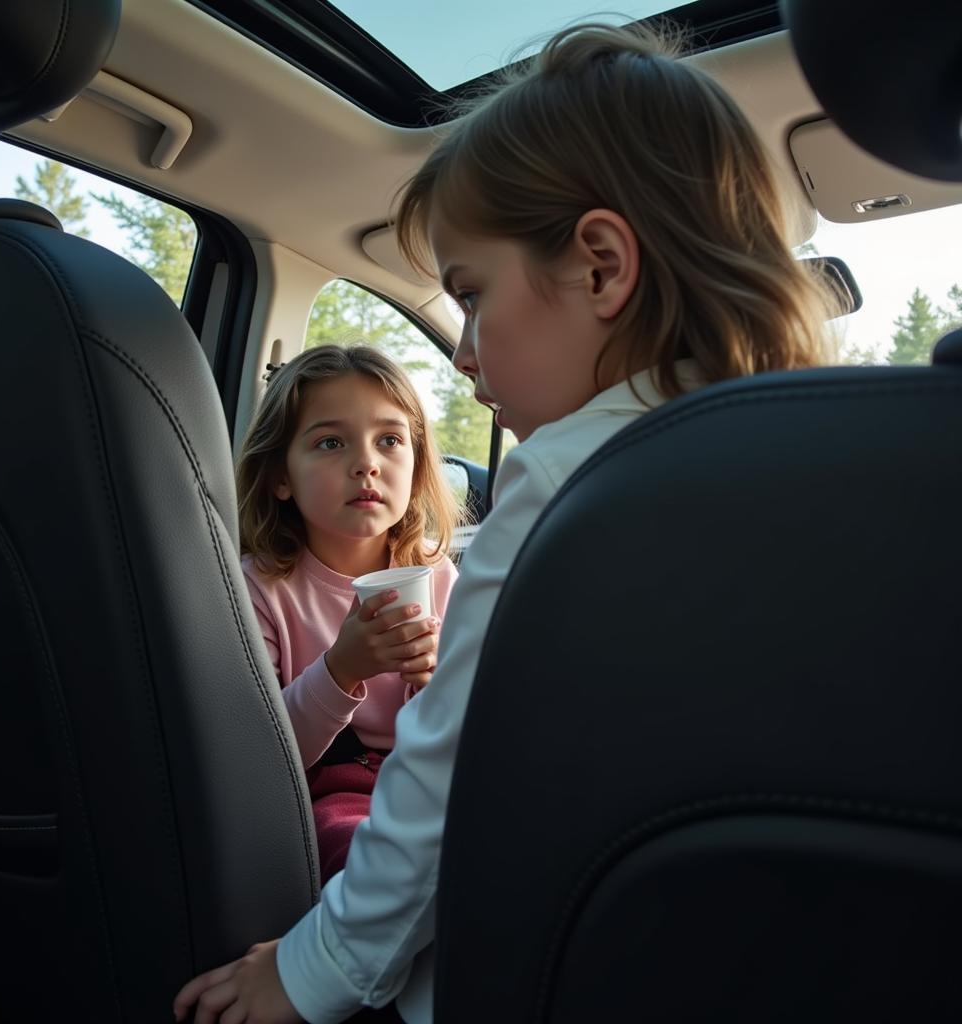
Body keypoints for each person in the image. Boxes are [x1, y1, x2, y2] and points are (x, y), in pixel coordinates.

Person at [175, 20, 834, 1024]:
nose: (465, 354)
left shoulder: (567, 477)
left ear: (601, 268)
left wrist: (314, 966)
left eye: (472, 297)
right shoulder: (797, 447)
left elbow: (440, 778)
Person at [236, 344, 461, 883]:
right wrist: (343, 668)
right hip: (333, 789)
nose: (367, 463)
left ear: (416, 463)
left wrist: (432, 680)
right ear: (280, 477)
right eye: (330, 443)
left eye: (390, 440)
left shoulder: (438, 575)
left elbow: (467, 727)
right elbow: (260, 756)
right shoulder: (261, 588)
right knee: (362, 852)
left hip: (432, 779)